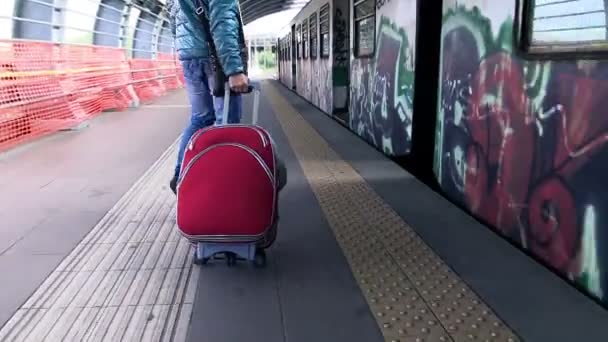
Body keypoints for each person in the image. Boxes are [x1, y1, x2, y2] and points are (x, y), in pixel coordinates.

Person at [168, 0, 248, 194]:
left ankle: (181, 177)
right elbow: (223, 23)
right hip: (214, 60)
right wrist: (234, 70)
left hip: (189, 58)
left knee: (200, 118)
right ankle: (223, 185)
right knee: (227, 122)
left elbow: (173, 25)